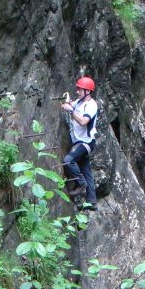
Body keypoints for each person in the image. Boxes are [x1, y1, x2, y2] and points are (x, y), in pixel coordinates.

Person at [61, 76, 98, 210]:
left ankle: (80, 184)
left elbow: (83, 121)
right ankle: (92, 201)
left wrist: (71, 111)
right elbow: (72, 104)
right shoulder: (79, 102)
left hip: (86, 142)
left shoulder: (91, 105)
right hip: (80, 142)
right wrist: (68, 104)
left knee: (68, 161)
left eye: (79, 89)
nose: (77, 91)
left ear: (87, 91)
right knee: (86, 171)